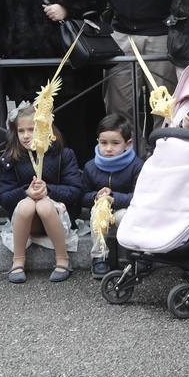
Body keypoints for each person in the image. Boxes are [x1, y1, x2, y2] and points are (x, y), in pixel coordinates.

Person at [0, 0, 107, 159]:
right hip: (23, 66)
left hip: (68, 67)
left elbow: (97, 0)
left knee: (70, 130)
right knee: (30, 131)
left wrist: (67, 8)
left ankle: (72, 183)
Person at [0, 103, 84, 284]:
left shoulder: (63, 154)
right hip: (28, 222)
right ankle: (18, 260)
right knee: (29, 203)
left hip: (57, 218)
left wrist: (49, 190)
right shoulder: (12, 158)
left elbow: (76, 191)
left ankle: (62, 259)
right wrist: (25, 192)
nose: (26, 135)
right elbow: (3, 197)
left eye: (32, 129)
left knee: (44, 205)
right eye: (21, 131)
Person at [81, 113, 143, 279]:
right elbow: (83, 196)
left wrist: (114, 198)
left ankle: (134, 257)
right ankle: (99, 257)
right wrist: (97, 196)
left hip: (124, 211)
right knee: (97, 212)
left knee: (124, 216)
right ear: (98, 142)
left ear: (127, 144)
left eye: (115, 143)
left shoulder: (136, 166)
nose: (108, 148)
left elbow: (140, 197)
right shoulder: (91, 166)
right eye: (103, 143)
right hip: (102, 214)